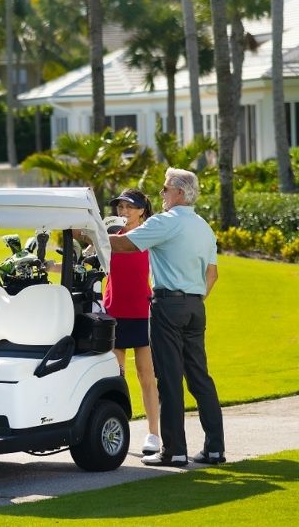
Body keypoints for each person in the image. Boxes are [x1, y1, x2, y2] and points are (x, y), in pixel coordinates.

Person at [109, 167, 224, 468]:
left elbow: (123, 244)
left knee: (169, 378)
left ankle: (174, 450)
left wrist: (93, 233)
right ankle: (215, 448)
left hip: (168, 306)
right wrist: (192, 299)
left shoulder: (166, 222)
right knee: (199, 377)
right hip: (196, 306)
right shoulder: (203, 226)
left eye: (165, 188)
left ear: (180, 193)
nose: (161, 194)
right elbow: (212, 274)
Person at [103, 188, 161, 456]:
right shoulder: (110, 238)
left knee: (145, 376)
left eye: (129, 207)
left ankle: (154, 434)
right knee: (116, 376)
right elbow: (88, 261)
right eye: (120, 207)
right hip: (113, 311)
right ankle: (117, 430)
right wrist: (52, 265)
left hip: (141, 312)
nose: (123, 212)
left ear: (142, 211)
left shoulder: (150, 237)